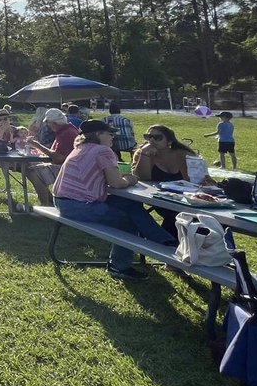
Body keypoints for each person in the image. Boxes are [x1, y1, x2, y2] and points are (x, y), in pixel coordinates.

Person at [53, 120, 175, 281]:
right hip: (79, 205)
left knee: (130, 204)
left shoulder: (80, 147)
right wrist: (131, 180)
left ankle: (164, 240)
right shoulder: (103, 151)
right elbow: (116, 183)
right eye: (110, 133)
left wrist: (122, 179)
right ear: (98, 134)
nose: (113, 137)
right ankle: (120, 266)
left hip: (63, 201)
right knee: (127, 222)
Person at [23, 108, 78, 207]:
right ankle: (49, 201)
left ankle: (46, 204)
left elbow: (59, 157)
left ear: (54, 123)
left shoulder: (67, 134)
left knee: (31, 171)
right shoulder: (66, 130)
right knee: (33, 166)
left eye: (48, 123)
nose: (47, 126)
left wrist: (37, 145)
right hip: (66, 166)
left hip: (66, 169)